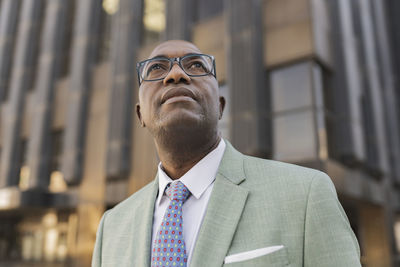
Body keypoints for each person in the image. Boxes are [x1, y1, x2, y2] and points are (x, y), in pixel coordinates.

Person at [92, 40, 361, 267]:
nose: (176, 75)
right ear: (141, 115)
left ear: (220, 106)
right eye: (157, 68)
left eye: (196, 65)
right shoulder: (112, 226)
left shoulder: (307, 193)